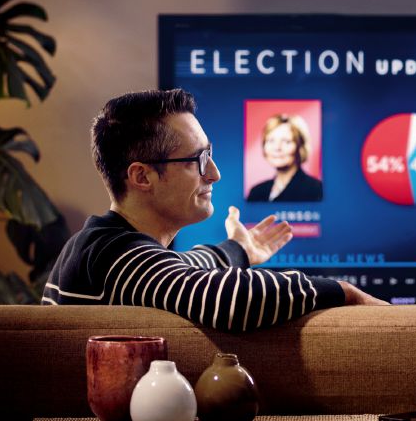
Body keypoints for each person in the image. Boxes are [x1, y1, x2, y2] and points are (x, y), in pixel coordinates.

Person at [43, 89, 385, 331]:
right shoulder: (117, 255)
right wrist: (342, 292)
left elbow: (181, 267)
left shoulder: (100, 244)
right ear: (142, 176)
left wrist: (239, 250)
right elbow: (229, 300)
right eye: (198, 160)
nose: (214, 173)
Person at [246, 114, 323, 202]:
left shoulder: (316, 190)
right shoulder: (256, 192)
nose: (277, 148)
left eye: (286, 141)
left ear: (300, 147)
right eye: (271, 141)